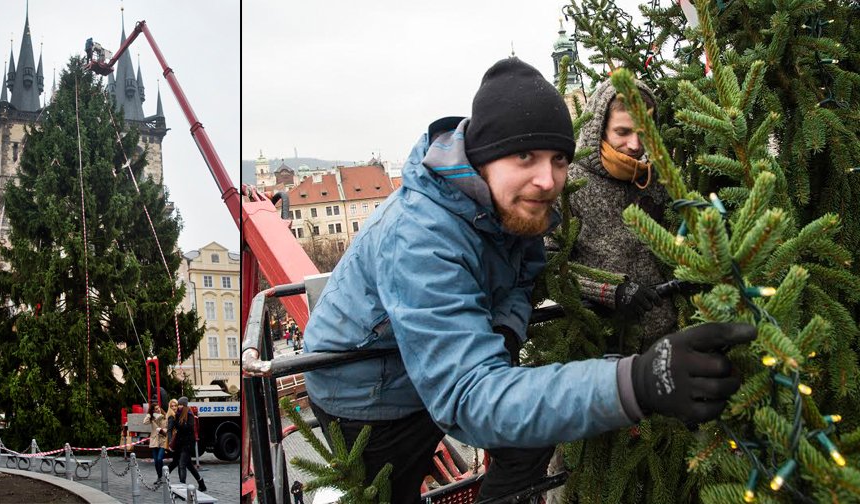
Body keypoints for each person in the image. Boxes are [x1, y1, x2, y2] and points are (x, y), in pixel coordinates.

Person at [302, 57, 755, 504]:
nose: (547, 180)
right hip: (368, 393)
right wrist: (636, 381)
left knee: (529, 447)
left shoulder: (514, 205)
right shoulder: (421, 237)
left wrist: (504, 329)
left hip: (433, 365)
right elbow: (466, 396)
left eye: (559, 158)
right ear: (482, 156)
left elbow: (523, 279)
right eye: (524, 156)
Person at [564, 78, 676, 339]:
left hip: (667, 333)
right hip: (604, 341)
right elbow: (551, 265)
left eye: (643, 132)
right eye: (623, 132)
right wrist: (610, 291)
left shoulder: (659, 178)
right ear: (599, 128)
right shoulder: (570, 183)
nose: (636, 145)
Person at [167, 397, 206, 492]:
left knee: (182, 464)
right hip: (180, 443)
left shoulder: (189, 414)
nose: (179, 407)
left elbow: (188, 428)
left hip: (188, 444)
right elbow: (172, 428)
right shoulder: (177, 415)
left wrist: (179, 423)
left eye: (180, 405)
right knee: (189, 466)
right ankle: (201, 483)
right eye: (178, 405)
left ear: (184, 405)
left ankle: (182, 487)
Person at [143, 402, 169, 484]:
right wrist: (149, 414)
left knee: (159, 459)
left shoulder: (165, 416)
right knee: (156, 461)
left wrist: (162, 431)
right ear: (153, 410)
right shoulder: (152, 418)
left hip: (163, 440)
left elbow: (168, 428)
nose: (158, 410)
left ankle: (162, 476)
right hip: (154, 440)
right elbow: (145, 422)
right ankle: (159, 477)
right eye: (156, 409)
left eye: (158, 408)